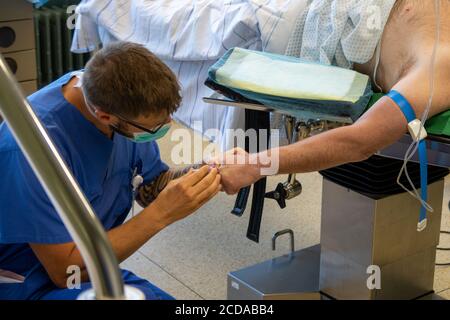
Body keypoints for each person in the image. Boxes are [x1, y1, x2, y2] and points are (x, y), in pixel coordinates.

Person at [0, 41, 221, 300]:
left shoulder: (114, 104)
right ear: (105, 116)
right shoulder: (29, 149)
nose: (165, 128)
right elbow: (65, 272)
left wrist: (212, 171)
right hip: (30, 283)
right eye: (154, 128)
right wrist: (160, 215)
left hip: (94, 266)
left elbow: (149, 188)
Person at [216, 0, 450, 195]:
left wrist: (255, 165)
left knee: (216, 18)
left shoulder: (440, 68)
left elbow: (360, 141)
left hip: (298, 18)